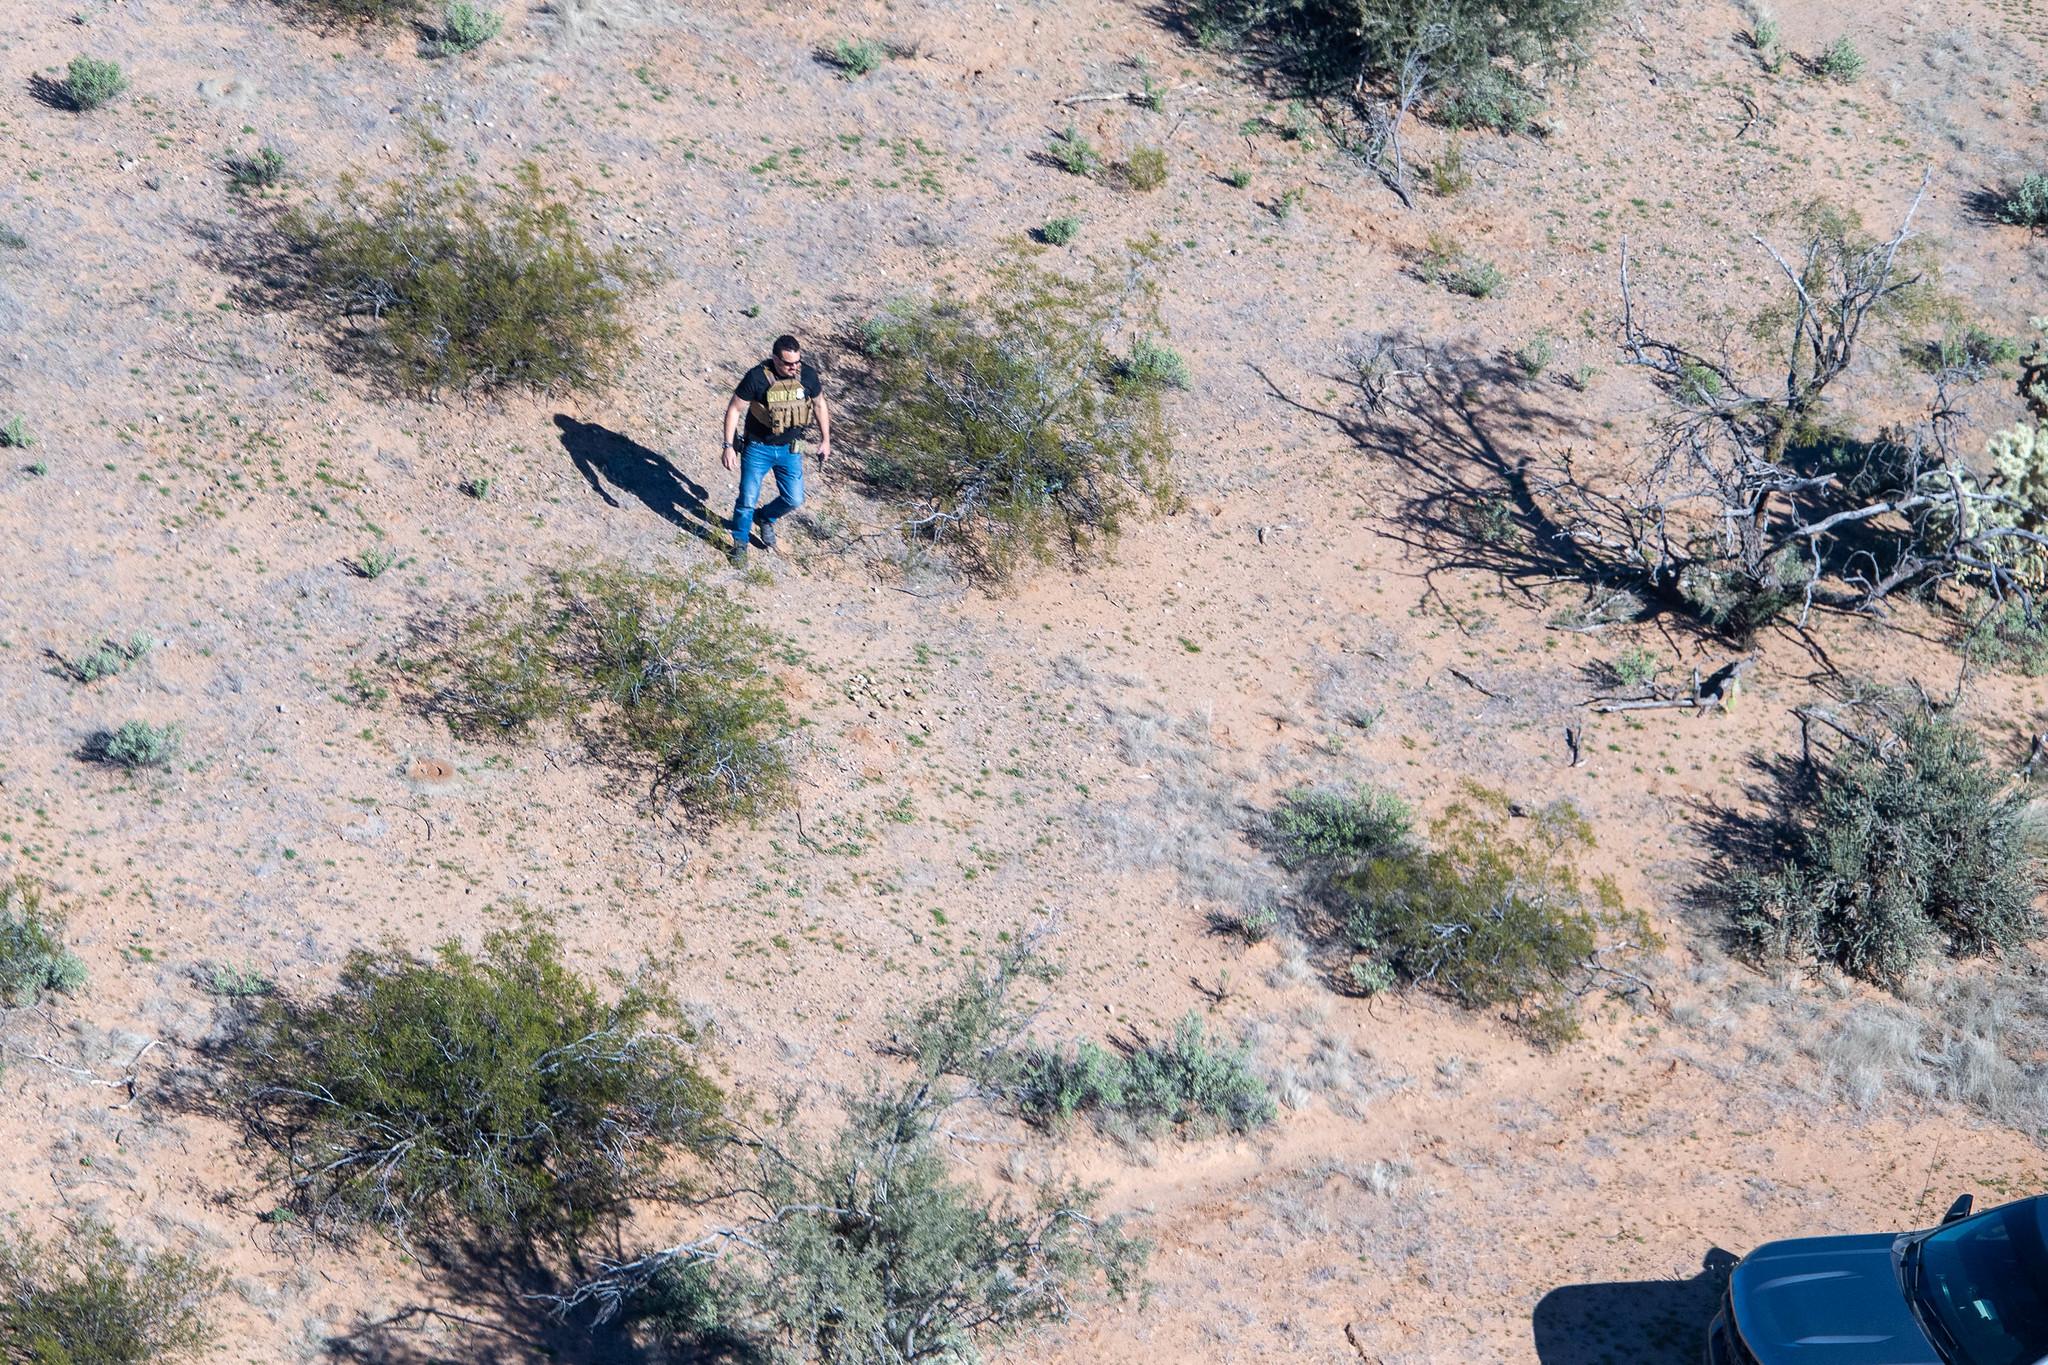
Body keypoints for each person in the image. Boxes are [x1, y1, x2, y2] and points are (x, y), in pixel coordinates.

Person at [720, 334, 831, 566]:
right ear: (774, 359)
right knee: (747, 499)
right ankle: (740, 543)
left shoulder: (808, 375)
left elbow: (820, 404)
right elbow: (734, 409)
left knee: (794, 498)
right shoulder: (756, 378)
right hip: (757, 448)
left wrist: (825, 439)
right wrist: (728, 446)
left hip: (790, 450)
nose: (794, 367)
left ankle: (765, 517)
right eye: (788, 363)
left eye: (797, 362)